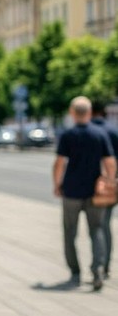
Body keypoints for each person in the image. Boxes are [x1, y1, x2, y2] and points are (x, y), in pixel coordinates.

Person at [54, 96, 117, 290]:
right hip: (94, 192)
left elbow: (59, 163)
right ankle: (97, 270)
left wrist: (57, 184)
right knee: (96, 230)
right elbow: (110, 162)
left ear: (72, 113)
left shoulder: (68, 135)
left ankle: (75, 273)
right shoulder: (100, 134)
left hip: (71, 191)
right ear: (89, 113)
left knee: (69, 233)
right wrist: (109, 181)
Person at [91, 100, 118, 279]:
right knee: (105, 224)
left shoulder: (91, 130)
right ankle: (105, 264)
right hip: (111, 185)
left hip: (92, 186)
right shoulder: (114, 131)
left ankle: (98, 264)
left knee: (96, 225)